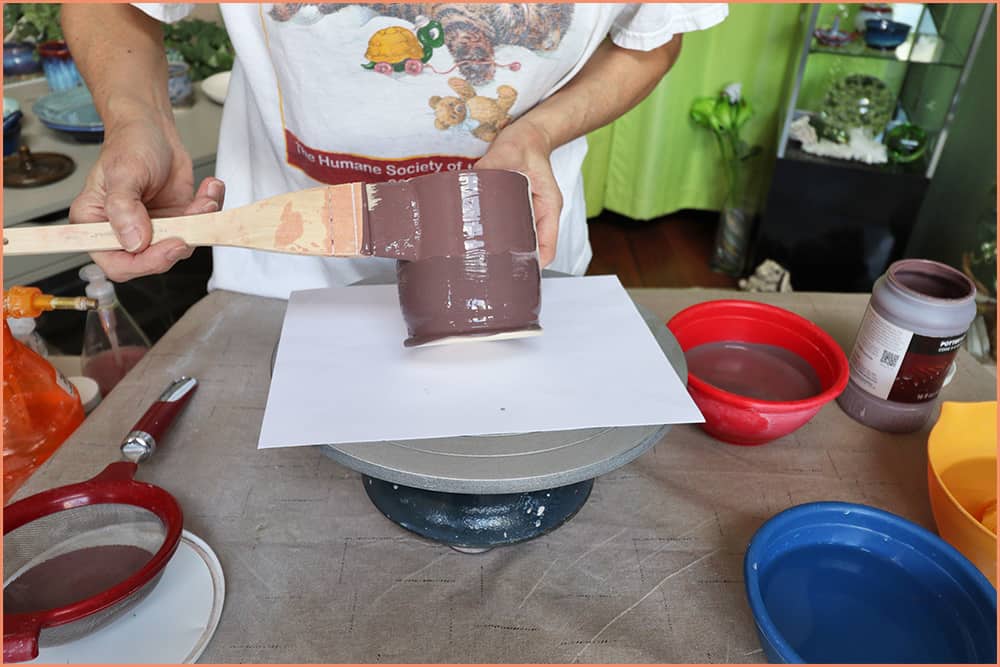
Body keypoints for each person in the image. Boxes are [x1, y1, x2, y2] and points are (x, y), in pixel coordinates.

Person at [63, 3, 727, 298]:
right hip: (280, 281)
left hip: (527, 266)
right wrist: (136, 121)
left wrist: (538, 132)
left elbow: (652, 34)